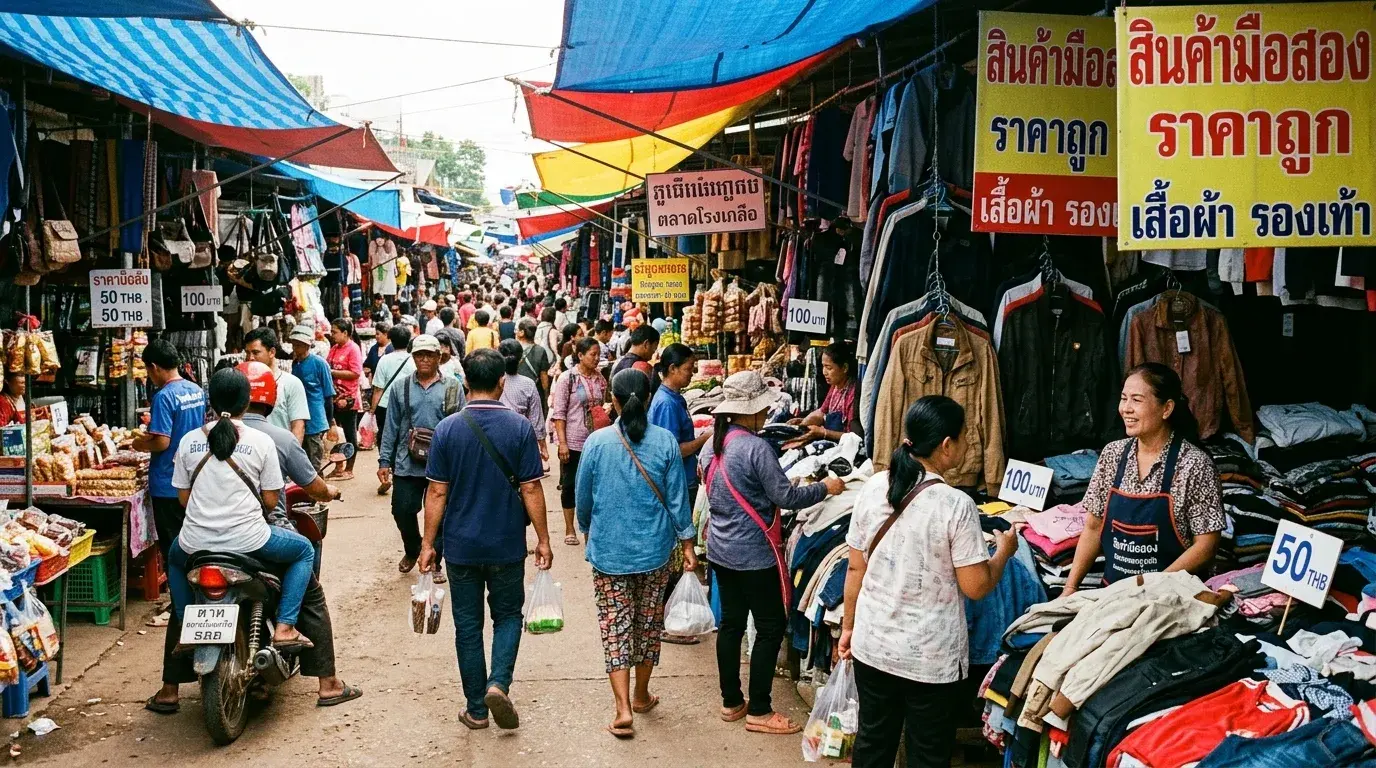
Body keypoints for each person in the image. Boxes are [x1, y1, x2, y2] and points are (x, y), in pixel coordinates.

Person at [839, 396, 1017, 768]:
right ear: (946, 444)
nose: (969, 446)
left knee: (872, 743)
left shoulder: (874, 488)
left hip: (872, 646)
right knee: (927, 754)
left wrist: (848, 628)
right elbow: (977, 586)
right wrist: (1004, 552)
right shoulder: (955, 505)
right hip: (929, 659)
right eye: (966, 438)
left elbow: (855, 569)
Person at [701, 370, 844, 735]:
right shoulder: (755, 448)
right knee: (769, 627)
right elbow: (787, 498)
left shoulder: (713, 444)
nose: (766, 415)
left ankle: (731, 701)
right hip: (753, 554)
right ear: (749, 411)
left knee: (731, 624)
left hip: (720, 548)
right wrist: (826, 487)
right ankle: (760, 710)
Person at [419, 348, 552, 731]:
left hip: (461, 546)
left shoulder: (447, 429)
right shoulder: (519, 428)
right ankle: (499, 683)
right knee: (508, 615)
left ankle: (476, 709)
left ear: (464, 383)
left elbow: (437, 493)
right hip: (507, 544)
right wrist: (543, 539)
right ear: (501, 383)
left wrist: (428, 544)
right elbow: (530, 489)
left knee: (467, 625)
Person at [576, 369, 697, 739]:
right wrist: (688, 543)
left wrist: (587, 529)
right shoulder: (665, 443)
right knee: (647, 624)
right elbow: (678, 499)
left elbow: (583, 499)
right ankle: (641, 694)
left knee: (615, 627)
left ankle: (623, 709)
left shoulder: (597, 443)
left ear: (612, 400)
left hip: (609, 553)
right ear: (648, 400)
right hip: (655, 551)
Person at [236, 361, 361, 707]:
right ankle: (327, 682)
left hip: (203, 539)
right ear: (270, 400)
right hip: (259, 534)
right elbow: (309, 487)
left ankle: (170, 688)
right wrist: (331, 492)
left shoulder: (204, 437)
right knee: (309, 583)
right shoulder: (277, 439)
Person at [165, 368, 316, 651]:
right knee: (304, 550)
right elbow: (271, 502)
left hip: (194, 543)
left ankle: (186, 623)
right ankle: (285, 627)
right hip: (251, 541)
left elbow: (183, 500)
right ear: (247, 402)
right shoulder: (262, 442)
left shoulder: (188, 441)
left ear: (211, 402)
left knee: (173, 559)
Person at [1063, 363, 1224, 592]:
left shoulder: (1194, 465)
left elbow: (1206, 545)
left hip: (1171, 596)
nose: (1126, 408)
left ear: (1166, 409)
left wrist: (1150, 588)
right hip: (1114, 593)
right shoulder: (1112, 455)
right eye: (1124, 398)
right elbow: (1093, 527)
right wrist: (1070, 587)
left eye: (1136, 400)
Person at [378, 334, 465, 576]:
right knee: (402, 509)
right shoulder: (400, 387)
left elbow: (461, 427)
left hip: (442, 463)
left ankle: (436, 559)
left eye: (429, 354)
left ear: (440, 357)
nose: (424, 359)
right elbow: (391, 426)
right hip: (408, 462)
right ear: (413, 358)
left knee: (441, 513)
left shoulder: (452, 387)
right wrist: (385, 460)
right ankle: (413, 547)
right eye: (419, 355)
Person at [132, 339, 207, 582]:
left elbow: (162, 442)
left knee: (173, 547)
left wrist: (139, 443)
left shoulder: (164, 396)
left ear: (154, 366)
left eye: (147, 370)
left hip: (167, 481)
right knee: (194, 539)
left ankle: (178, 604)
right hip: (194, 477)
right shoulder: (195, 390)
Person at [550, 337, 607, 546]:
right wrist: (562, 443)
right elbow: (559, 413)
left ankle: (589, 528)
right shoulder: (568, 379)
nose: (597, 358)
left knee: (594, 485)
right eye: (593, 354)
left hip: (596, 441)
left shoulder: (600, 378)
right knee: (570, 485)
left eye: (598, 354)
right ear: (580, 356)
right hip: (573, 441)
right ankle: (569, 528)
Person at [649, 344, 712, 510]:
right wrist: (704, 438)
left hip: (684, 477)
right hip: (677, 482)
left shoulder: (675, 398)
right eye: (688, 368)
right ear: (672, 368)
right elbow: (674, 450)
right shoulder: (666, 403)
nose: (692, 373)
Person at [787, 342, 864, 448]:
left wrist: (823, 433)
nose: (824, 372)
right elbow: (821, 412)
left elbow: (855, 436)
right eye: (823, 367)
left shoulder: (853, 393)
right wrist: (802, 424)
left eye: (829, 367)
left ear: (845, 368)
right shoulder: (835, 387)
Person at [244, 327, 310, 442]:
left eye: (255, 352)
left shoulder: (291, 384)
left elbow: (298, 427)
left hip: (279, 453)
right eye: (247, 353)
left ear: (272, 352)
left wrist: (290, 455)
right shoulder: (243, 383)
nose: (250, 358)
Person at [371, 325, 416, 492]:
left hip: (385, 405)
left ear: (391, 339)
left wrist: (372, 410)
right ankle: (401, 472)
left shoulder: (384, 359)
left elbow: (378, 388)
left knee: (385, 438)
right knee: (404, 438)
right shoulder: (413, 360)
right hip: (408, 405)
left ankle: (386, 472)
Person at [289, 325, 337, 469]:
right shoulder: (295, 364)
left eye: (299, 345)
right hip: (299, 415)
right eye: (294, 345)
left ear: (307, 345)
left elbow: (329, 395)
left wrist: (330, 422)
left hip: (315, 416)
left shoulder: (319, 363)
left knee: (314, 456)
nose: (295, 348)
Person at [498, 340, 548, 465]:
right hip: (520, 440)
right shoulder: (528, 384)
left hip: (494, 438)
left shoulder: (493, 381)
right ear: (521, 359)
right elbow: (536, 420)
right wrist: (543, 446)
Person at [327, 319, 363, 480]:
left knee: (350, 435)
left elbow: (355, 372)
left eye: (335, 332)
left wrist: (333, 372)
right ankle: (338, 467)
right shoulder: (334, 348)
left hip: (348, 399)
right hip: (334, 398)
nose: (332, 334)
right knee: (335, 434)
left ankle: (349, 468)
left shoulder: (353, 349)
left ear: (345, 333)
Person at [514, 318, 552, 405]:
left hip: (515, 390)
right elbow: (544, 375)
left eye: (517, 330)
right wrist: (546, 395)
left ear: (521, 332)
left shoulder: (512, 348)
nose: (516, 332)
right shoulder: (540, 350)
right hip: (534, 390)